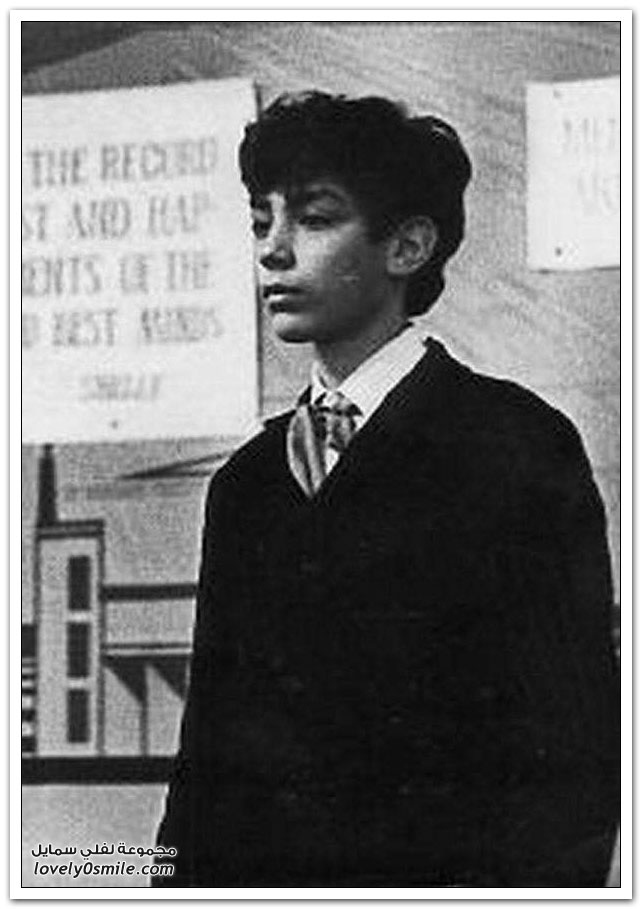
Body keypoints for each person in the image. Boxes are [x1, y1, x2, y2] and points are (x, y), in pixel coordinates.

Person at [154, 91, 620, 887]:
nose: (273, 250)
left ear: (407, 245)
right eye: (261, 221)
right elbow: (206, 761)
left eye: (314, 218)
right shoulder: (247, 484)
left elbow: (573, 758)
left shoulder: (515, 445)